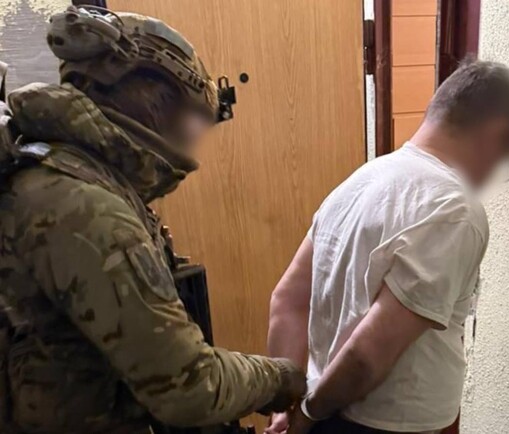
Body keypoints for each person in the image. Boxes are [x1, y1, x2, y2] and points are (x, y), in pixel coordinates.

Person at [0, 6, 305, 434]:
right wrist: (282, 379)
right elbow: (190, 387)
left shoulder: (66, 174)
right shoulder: (83, 206)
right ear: (154, 102)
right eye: (195, 115)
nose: (197, 137)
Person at [266, 60, 509, 434]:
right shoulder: (454, 208)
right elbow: (367, 355)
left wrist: (286, 407)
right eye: (504, 163)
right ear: (497, 134)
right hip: (386, 425)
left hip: (321, 406)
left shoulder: (361, 180)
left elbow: (286, 301)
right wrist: (309, 415)